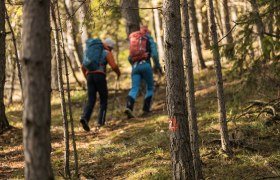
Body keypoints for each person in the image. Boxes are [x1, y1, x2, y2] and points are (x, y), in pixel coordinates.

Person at [80, 38, 121, 131]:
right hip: (100, 76)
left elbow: (83, 66)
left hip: (89, 76)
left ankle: (85, 118)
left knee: (91, 99)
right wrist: (118, 73)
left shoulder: (89, 52)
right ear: (109, 47)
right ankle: (100, 123)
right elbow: (114, 66)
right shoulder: (106, 52)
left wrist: (87, 77)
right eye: (111, 48)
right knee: (103, 100)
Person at [125, 26, 162, 119]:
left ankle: (128, 107)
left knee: (134, 88)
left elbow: (129, 57)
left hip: (135, 66)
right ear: (148, 32)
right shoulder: (148, 39)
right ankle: (146, 109)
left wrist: (134, 65)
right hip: (145, 65)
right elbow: (155, 54)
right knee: (150, 87)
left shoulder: (135, 40)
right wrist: (158, 66)